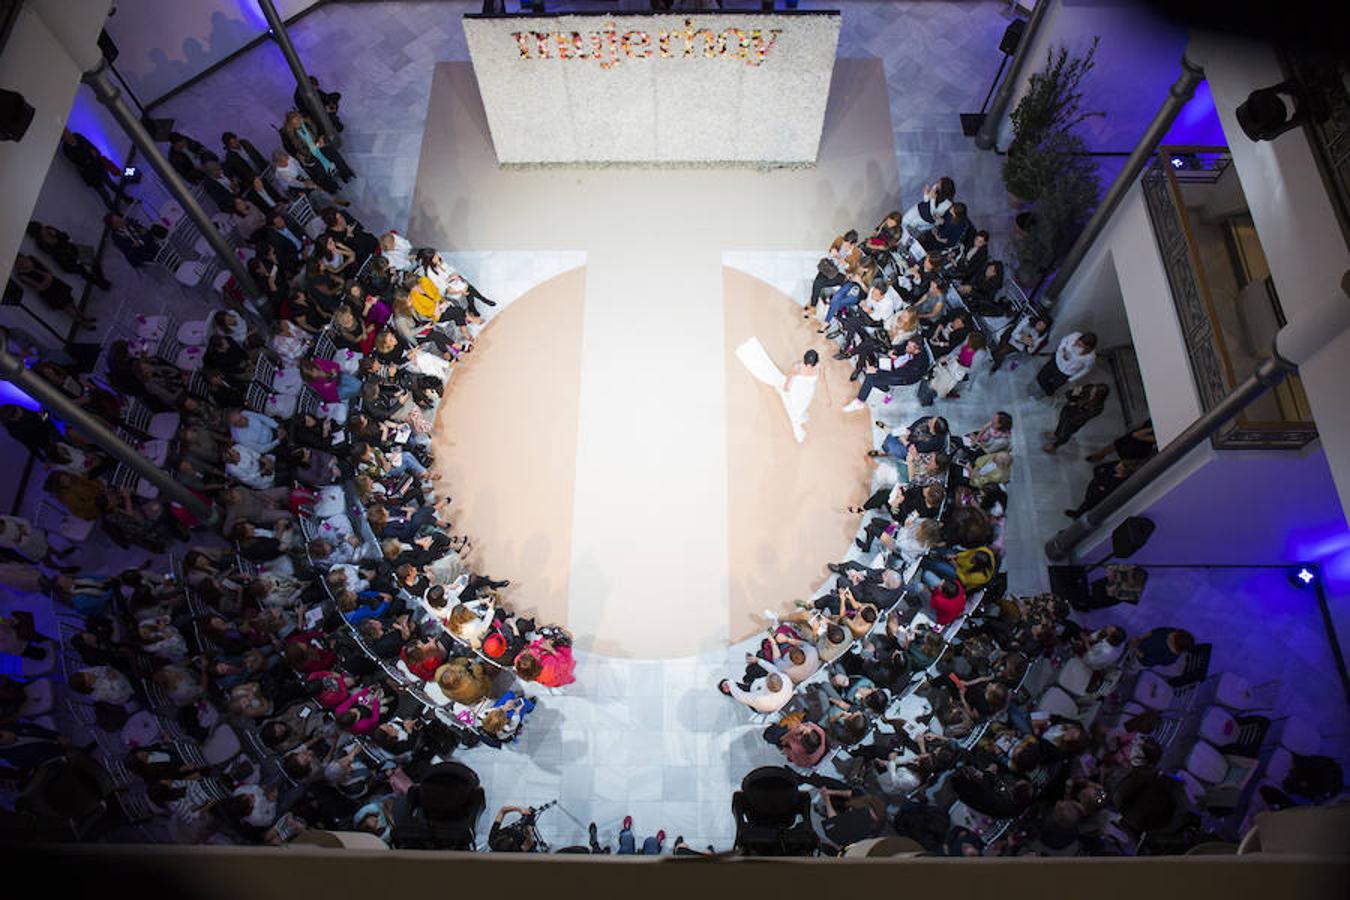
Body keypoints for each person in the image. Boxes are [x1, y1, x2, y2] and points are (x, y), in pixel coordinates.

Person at [736, 342, 820, 444]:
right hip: (797, 390)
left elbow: (823, 381)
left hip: (808, 393)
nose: (810, 365)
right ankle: (797, 430)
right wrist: (786, 387)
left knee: (801, 407)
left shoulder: (819, 367)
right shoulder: (798, 366)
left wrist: (828, 397)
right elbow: (790, 376)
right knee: (795, 409)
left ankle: (798, 420)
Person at [11, 254, 97, 329]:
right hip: (48, 292)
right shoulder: (21, 275)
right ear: (16, 266)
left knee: (70, 302)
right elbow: (38, 287)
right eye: (18, 263)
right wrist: (45, 277)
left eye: (22, 260)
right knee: (66, 308)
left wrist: (44, 275)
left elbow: (49, 271)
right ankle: (82, 323)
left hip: (55, 283)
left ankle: (83, 316)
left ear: (23, 257)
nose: (22, 263)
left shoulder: (32, 258)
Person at [1043, 383, 1110, 453]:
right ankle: (1056, 434)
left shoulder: (1098, 408)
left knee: (1064, 434)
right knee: (1060, 423)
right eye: (1093, 389)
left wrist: (1076, 404)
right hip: (1067, 411)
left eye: (1094, 391)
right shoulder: (1089, 387)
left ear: (1098, 396)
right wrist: (1074, 394)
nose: (1091, 390)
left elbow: (1082, 417)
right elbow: (1068, 394)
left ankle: (1055, 445)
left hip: (1074, 422)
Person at [1034, 331, 1097, 398]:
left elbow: (1086, 369)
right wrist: (1062, 350)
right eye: (1078, 342)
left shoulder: (1090, 357)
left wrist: (1072, 379)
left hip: (1065, 373)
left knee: (1053, 387)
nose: (1078, 345)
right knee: (1040, 377)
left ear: (1088, 347)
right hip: (1056, 362)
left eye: (1081, 346)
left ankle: (1047, 393)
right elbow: (1064, 340)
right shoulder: (1075, 335)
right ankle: (1045, 389)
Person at [1130, 627, 1194, 668]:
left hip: (1140, 659)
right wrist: (1139, 638)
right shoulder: (1174, 632)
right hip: (1140, 644)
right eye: (1174, 633)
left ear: (1175, 645)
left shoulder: (1168, 657)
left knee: (1133, 666)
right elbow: (1154, 632)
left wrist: (1135, 649)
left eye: (1172, 637)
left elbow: (1145, 659)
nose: (1170, 634)